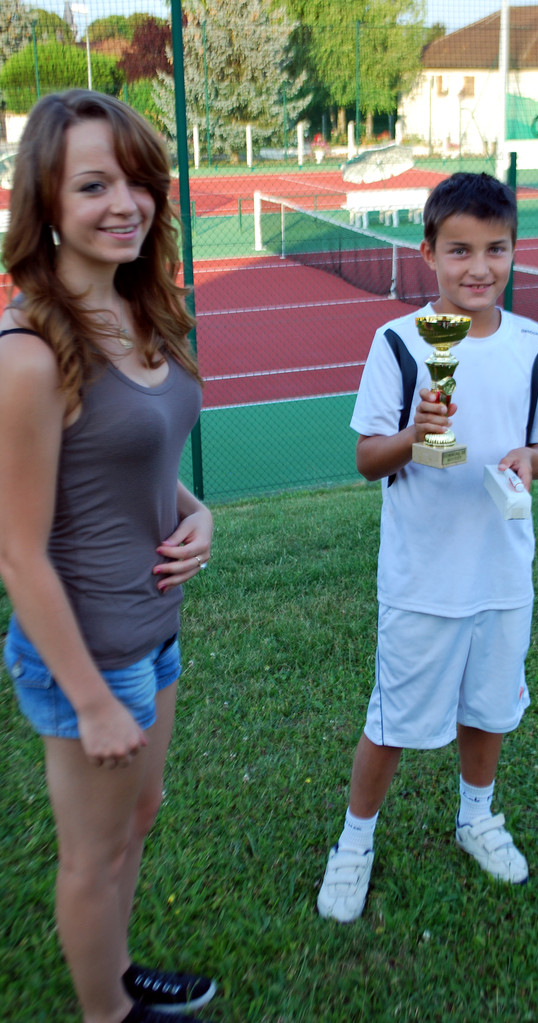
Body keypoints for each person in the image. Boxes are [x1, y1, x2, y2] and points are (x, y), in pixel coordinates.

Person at [0, 91, 217, 1022]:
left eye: (137, 181)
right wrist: (88, 699)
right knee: (93, 855)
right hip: (87, 653)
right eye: (93, 185)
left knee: (137, 817)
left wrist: (194, 508)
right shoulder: (30, 352)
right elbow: (16, 550)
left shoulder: (137, 306)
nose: (124, 203)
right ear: (44, 202)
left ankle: (119, 974)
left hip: (151, 630)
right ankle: (108, 1015)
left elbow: (136, 454)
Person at [316, 171, 538, 923]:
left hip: (502, 571)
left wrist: (529, 461)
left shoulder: (534, 344)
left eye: (495, 249)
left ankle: (477, 816)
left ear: (513, 252)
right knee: (392, 719)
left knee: (488, 709)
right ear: (427, 251)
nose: (478, 268)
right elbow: (368, 459)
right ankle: (354, 842)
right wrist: (414, 435)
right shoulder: (398, 343)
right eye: (459, 250)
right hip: (422, 576)